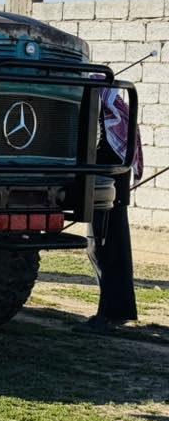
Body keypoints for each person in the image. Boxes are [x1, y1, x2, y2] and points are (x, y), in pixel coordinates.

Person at [74, 86, 142, 334]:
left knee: (103, 244)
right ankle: (119, 311)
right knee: (110, 243)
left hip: (107, 178)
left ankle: (110, 314)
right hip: (114, 176)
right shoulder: (115, 107)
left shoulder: (99, 108)